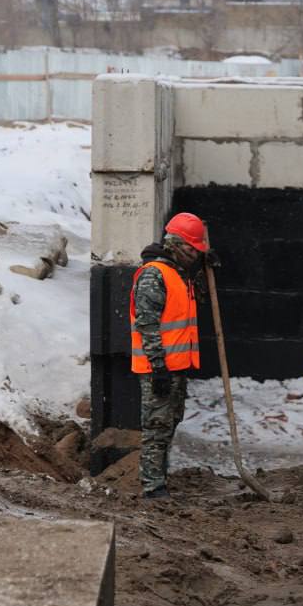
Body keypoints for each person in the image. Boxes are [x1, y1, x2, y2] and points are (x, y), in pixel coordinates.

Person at [129, 211, 209, 500]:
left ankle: (159, 479)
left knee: (170, 422)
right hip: (157, 367)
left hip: (176, 366)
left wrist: (204, 268)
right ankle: (153, 487)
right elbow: (147, 324)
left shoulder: (180, 274)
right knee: (156, 427)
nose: (194, 254)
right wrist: (158, 367)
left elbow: (198, 300)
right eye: (191, 249)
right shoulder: (154, 274)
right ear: (175, 244)